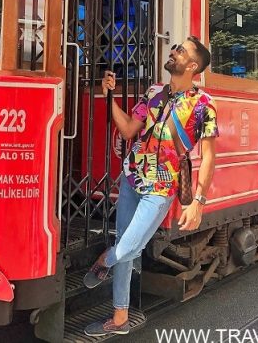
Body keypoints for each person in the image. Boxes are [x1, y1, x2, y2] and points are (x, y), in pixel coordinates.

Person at [83, 37, 219, 337]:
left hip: (161, 187)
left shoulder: (204, 106)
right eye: (175, 48)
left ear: (192, 66)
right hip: (132, 177)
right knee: (126, 244)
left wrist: (198, 201)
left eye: (180, 50)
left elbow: (209, 157)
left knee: (131, 246)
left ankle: (104, 260)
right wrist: (110, 98)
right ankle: (119, 317)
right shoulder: (154, 92)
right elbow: (130, 129)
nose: (173, 52)